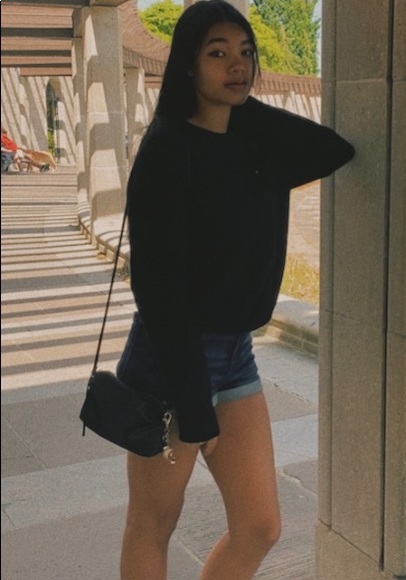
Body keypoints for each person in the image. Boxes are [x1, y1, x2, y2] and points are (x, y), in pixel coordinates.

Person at [116, 1, 354, 578]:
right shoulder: (167, 150)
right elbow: (158, 290)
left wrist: (241, 111)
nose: (237, 65)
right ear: (187, 66)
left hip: (235, 356)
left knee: (259, 526)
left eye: (245, 53)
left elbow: (333, 149)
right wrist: (195, 408)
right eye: (217, 53)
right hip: (171, 360)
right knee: (153, 523)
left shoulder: (251, 144)